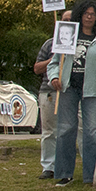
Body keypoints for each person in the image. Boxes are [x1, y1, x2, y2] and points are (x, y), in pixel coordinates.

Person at [47, 0, 96, 187]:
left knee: (93, 131)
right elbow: (54, 63)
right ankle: (64, 173)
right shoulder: (67, 35)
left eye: (93, 14)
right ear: (80, 15)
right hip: (68, 88)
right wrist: (54, 78)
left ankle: (92, 175)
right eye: (86, 13)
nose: (89, 17)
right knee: (65, 129)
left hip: (92, 90)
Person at [33, 9, 71, 179]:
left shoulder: (81, 43)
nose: (68, 22)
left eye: (71, 20)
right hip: (49, 92)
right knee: (49, 131)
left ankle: (68, 166)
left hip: (71, 92)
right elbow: (36, 68)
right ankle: (49, 166)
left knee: (71, 130)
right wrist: (54, 58)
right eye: (65, 19)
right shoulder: (49, 44)